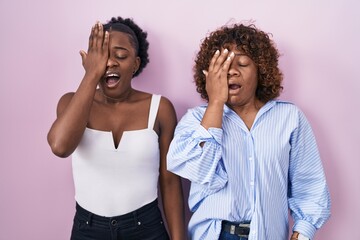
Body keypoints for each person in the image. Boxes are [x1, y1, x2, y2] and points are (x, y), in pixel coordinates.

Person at [166, 22, 331, 240]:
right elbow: (197, 169)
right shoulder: (195, 120)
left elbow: (309, 184)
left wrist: (302, 233)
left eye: (242, 64)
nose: (232, 71)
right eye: (223, 66)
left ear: (260, 70)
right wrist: (216, 102)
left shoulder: (289, 118)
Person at [47, 16, 185, 240]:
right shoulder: (70, 102)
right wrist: (91, 75)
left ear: (136, 64)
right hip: (87, 230)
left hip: (147, 228)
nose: (109, 63)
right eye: (101, 56)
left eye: (120, 56)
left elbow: (169, 181)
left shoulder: (160, 109)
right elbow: (60, 146)